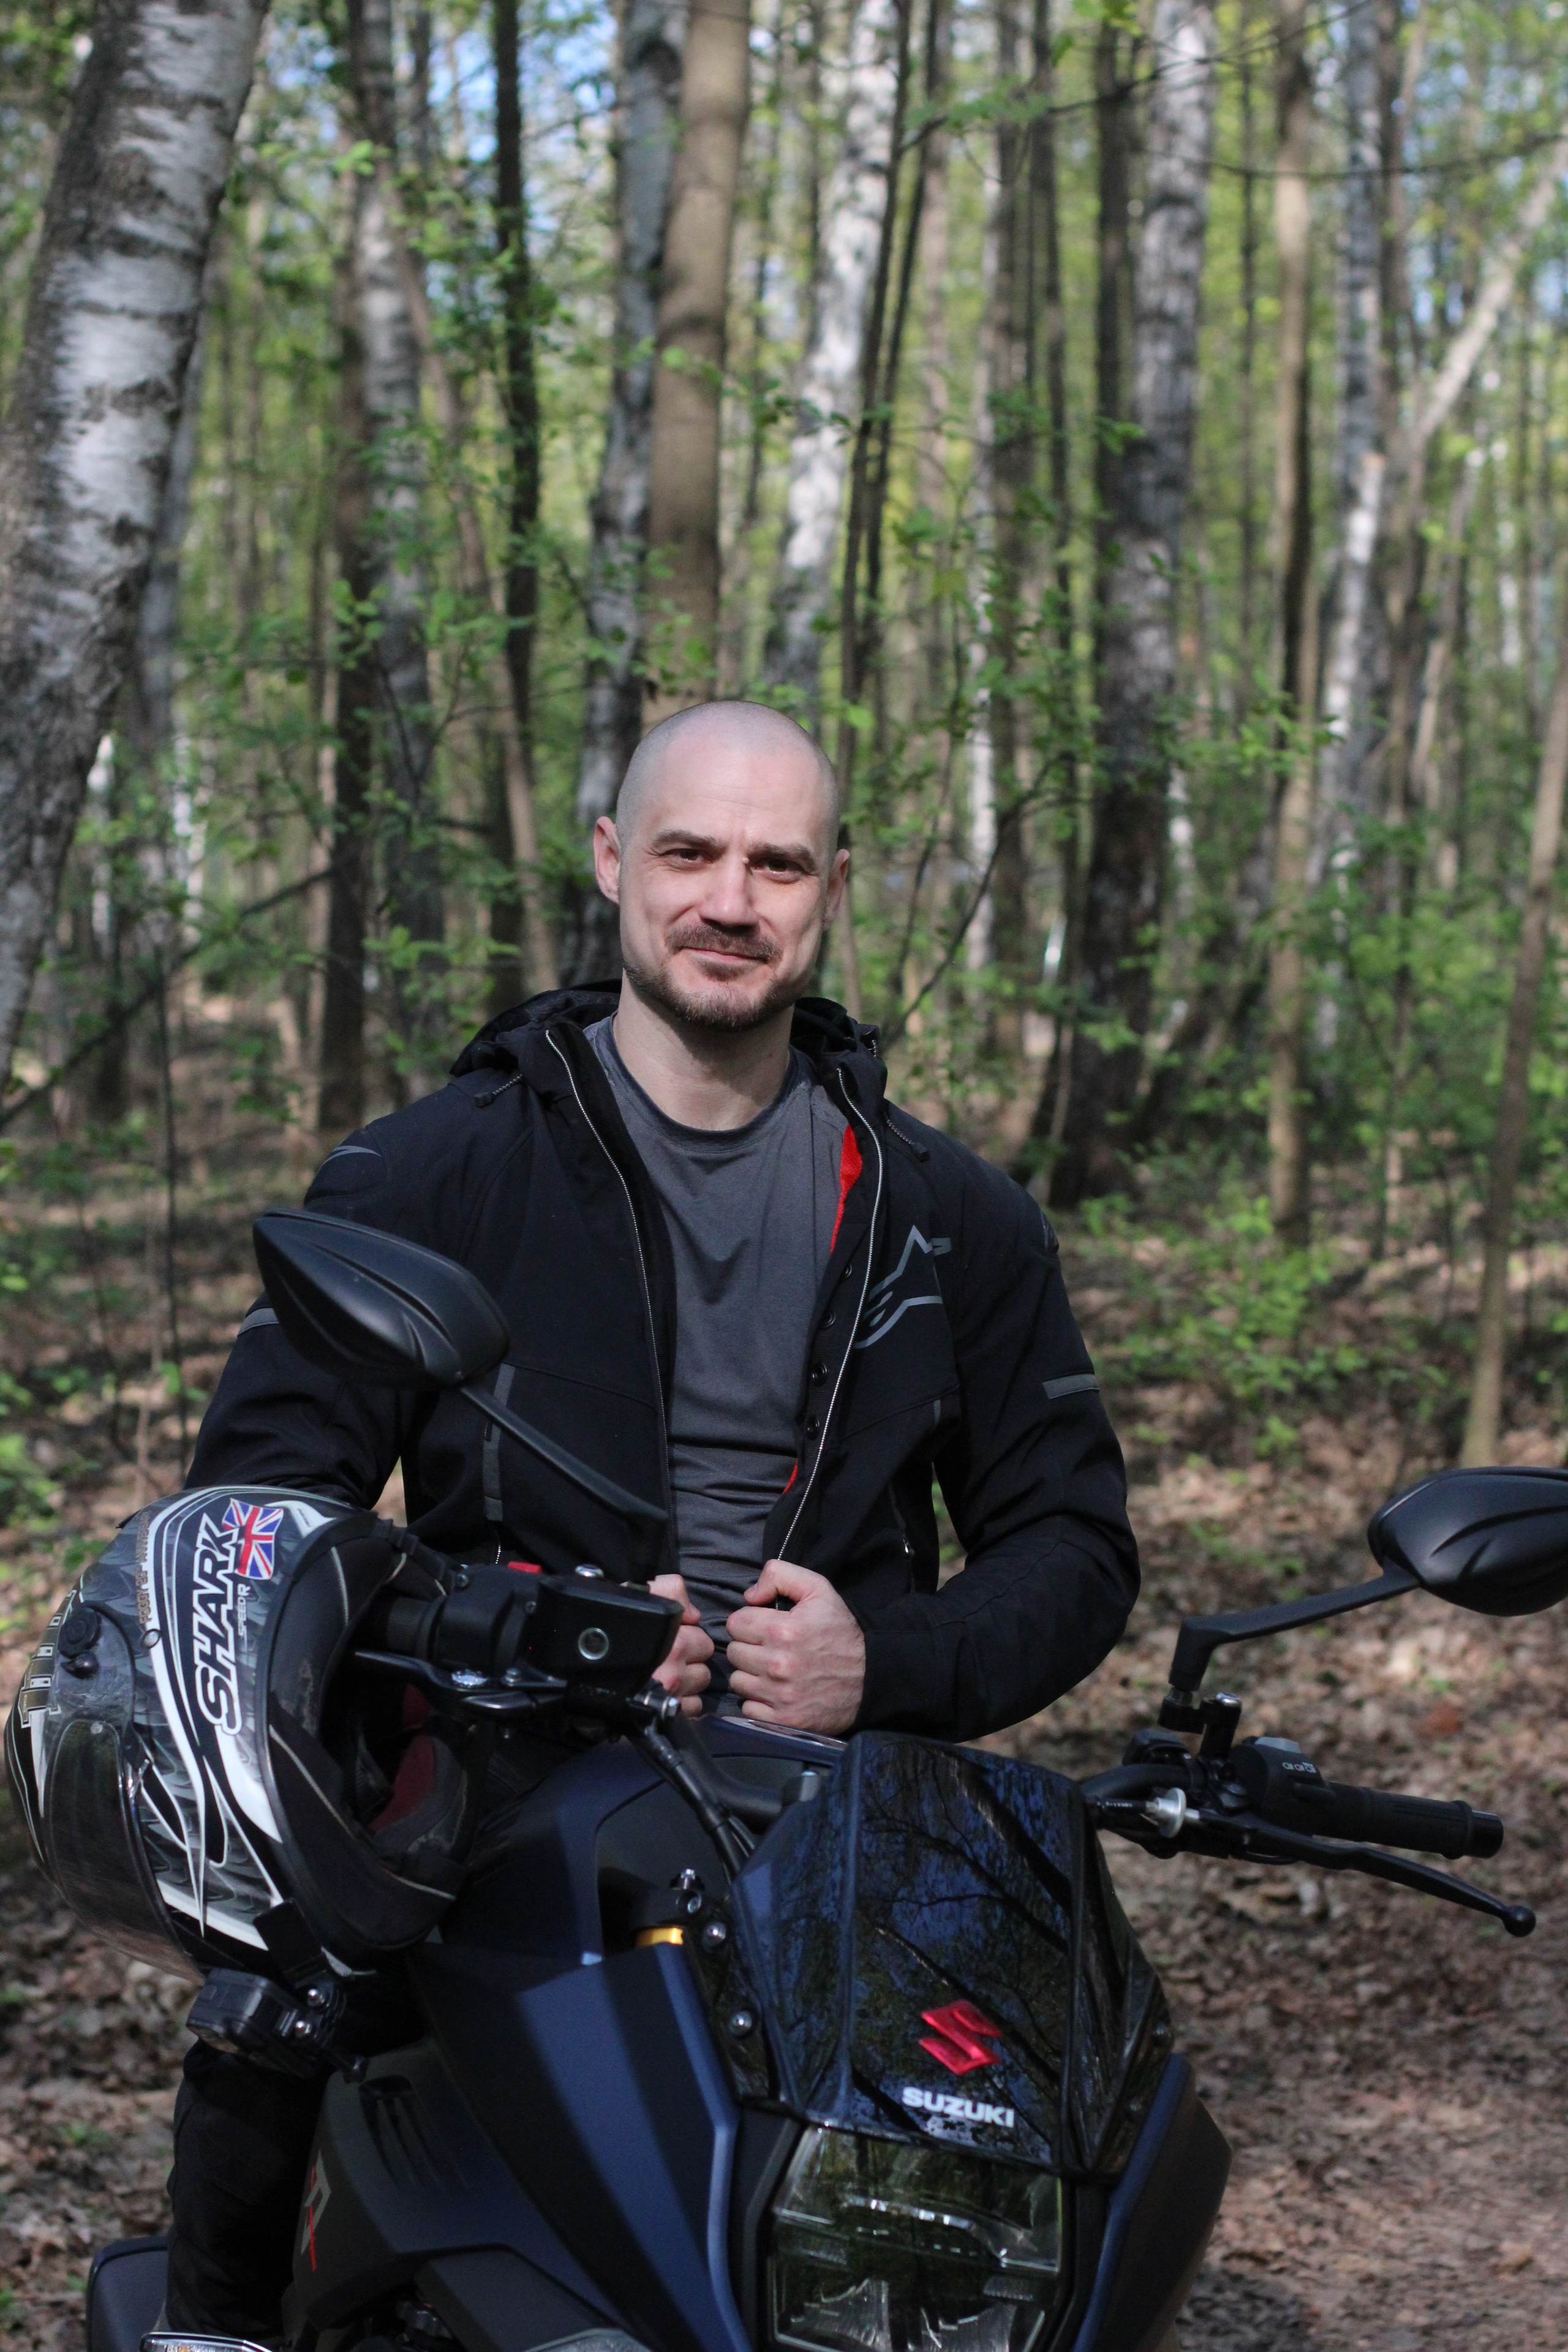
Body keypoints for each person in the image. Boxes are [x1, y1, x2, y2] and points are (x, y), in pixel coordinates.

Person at [168, 698, 1139, 2335]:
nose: (729, 898)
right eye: (690, 850)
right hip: (487, 1768)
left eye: (775, 862)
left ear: (832, 887)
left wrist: (880, 1656)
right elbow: (254, 1528)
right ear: (615, 861)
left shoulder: (952, 1217)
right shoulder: (431, 1174)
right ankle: (209, 2319)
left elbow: (1077, 1547)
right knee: (281, 1992)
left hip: (835, 1808)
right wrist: (516, 1628)